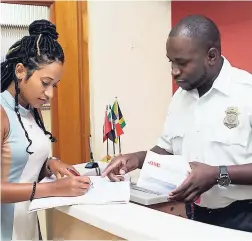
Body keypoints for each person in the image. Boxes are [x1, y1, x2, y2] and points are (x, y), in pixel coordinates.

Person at [102, 15, 252, 232]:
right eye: (171, 61)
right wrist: (137, 159)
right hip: (193, 215)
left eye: (182, 63)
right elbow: (167, 149)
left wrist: (218, 174)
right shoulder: (180, 98)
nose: (174, 70)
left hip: (243, 218)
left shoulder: (246, 93)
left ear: (211, 56)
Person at [1, 19, 91, 240]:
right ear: (21, 71)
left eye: (55, 85)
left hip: (28, 228)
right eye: (45, 82)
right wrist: (53, 189)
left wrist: (51, 164)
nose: (50, 93)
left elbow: (20, 165)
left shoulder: (32, 110)